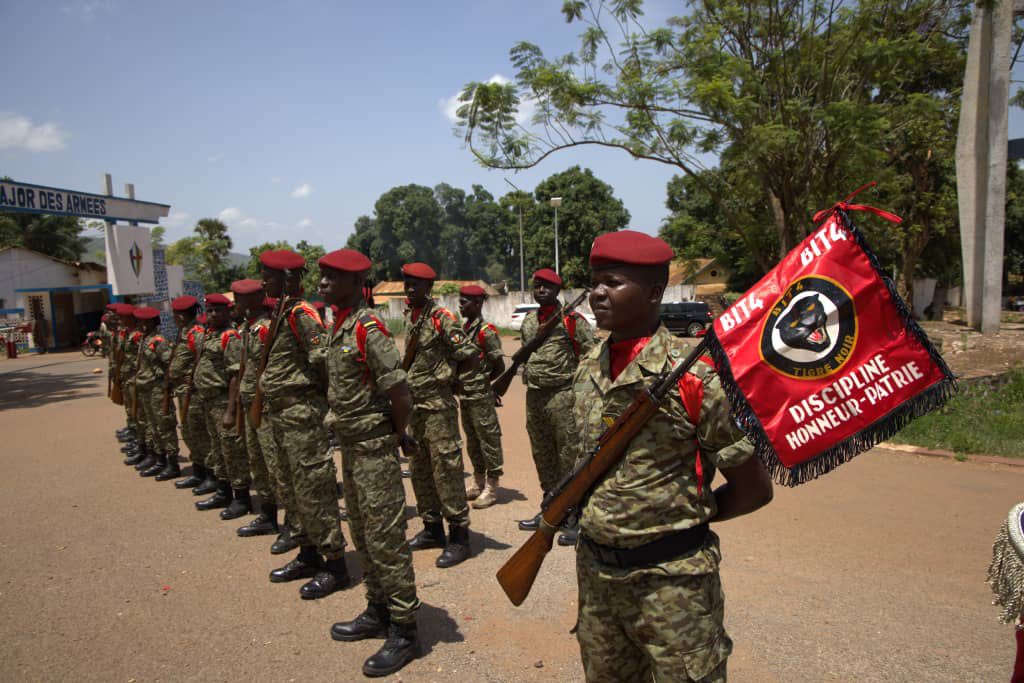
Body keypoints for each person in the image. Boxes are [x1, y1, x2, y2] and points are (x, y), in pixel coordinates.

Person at [572, 230, 773, 683]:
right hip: (598, 579)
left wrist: (679, 525)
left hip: (673, 585)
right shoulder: (587, 367)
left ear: (654, 292)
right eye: (596, 281)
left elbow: (754, 489)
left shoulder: (697, 378)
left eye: (613, 282)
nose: (597, 293)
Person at [318, 249, 422, 677]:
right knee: (362, 531)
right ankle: (377, 608)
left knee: (385, 539)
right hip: (352, 447)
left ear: (353, 283)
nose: (322, 284)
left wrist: (398, 435)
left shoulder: (367, 327)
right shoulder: (338, 325)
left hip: (375, 449)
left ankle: (405, 629)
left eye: (330, 278)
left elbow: (399, 391)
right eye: (322, 277)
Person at [259, 249, 350, 600]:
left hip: (303, 416)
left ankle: (335, 563)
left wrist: (329, 411)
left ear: (289, 278)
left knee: (315, 489)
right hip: (281, 417)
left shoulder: (302, 313)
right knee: (291, 490)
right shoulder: (282, 312)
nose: (265, 280)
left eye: (270, 275)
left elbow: (325, 362)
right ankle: (308, 553)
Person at [401, 262, 479, 568]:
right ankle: (432, 528)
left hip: (437, 406)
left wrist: (450, 377)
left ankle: (459, 535)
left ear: (428, 288)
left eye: (416, 284)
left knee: (446, 468)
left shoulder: (440, 318)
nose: (410, 288)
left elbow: (469, 355)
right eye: (407, 282)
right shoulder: (410, 316)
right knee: (419, 468)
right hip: (415, 406)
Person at [518, 268, 596, 546]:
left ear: (557, 291)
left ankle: (573, 514)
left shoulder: (571, 321)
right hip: (535, 396)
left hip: (563, 396)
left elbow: (592, 356)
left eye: (547, 287)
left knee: (568, 456)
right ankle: (550, 511)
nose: (540, 291)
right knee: (543, 454)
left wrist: (584, 396)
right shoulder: (528, 321)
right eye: (537, 286)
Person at [191, 293, 243, 513]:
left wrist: (231, 410)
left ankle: (241, 498)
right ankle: (223, 491)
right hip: (208, 400)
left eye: (217, 310)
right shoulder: (210, 335)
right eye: (209, 310)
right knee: (218, 449)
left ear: (228, 312)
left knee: (232, 450)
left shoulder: (230, 336)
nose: (212, 314)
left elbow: (235, 375)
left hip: (223, 400)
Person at [456, 284, 506, 509]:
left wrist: (483, 382)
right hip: (465, 397)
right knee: (473, 442)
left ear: (477, 304)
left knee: (488, 441)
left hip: (481, 397)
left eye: (464, 301)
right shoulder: (465, 330)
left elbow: (499, 366)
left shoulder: (486, 331)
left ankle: (492, 487)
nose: (460, 305)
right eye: (460, 301)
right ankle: (478, 482)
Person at [131, 306, 181, 480]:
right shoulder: (146, 339)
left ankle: (173, 463)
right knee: (153, 426)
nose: (141, 325)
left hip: (158, 390)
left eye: (145, 321)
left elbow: (170, 364)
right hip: (146, 388)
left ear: (153, 322)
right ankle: (160, 459)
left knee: (165, 426)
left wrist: (167, 386)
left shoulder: (158, 341)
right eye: (140, 321)